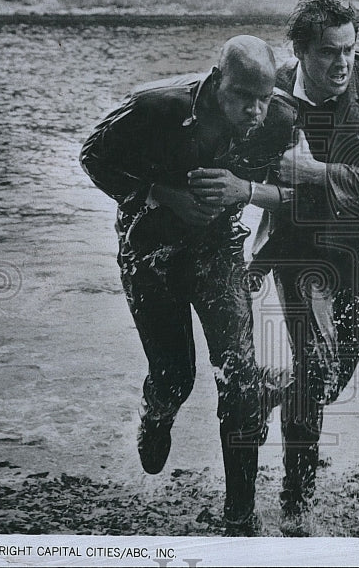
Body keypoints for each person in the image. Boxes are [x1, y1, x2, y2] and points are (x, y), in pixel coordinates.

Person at [79, 35, 295, 536]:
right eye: (243, 96)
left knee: (241, 376)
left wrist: (248, 195)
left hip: (217, 249)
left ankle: (239, 515)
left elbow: (292, 189)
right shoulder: (157, 106)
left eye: (263, 97)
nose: (254, 110)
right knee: (176, 375)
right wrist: (163, 193)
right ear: (218, 80)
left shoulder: (281, 118)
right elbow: (92, 156)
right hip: (149, 246)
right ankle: (157, 412)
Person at [255, 0, 359, 535]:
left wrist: (315, 170)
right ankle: (296, 508)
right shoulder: (269, 89)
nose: (342, 63)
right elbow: (240, 164)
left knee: (329, 382)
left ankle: (264, 393)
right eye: (328, 53)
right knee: (314, 371)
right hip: (298, 248)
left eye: (349, 49)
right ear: (299, 51)